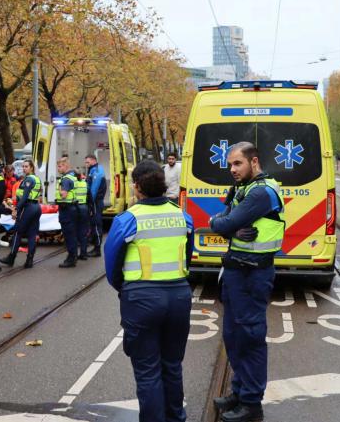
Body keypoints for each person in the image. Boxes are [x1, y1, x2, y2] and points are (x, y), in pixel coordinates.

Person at [104, 160, 194, 422]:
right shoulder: (182, 215)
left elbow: (112, 264)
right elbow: (187, 257)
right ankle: (176, 418)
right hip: (179, 295)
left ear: (137, 187)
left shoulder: (128, 219)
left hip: (142, 298)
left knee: (147, 370)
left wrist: (126, 288)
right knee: (172, 365)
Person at [207, 141, 284, 422]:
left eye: (237, 163)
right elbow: (220, 222)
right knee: (233, 336)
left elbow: (223, 224)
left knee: (250, 338)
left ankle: (252, 404)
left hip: (254, 274)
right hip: (236, 272)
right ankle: (239, 391)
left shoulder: (262, 192)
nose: (232, 170)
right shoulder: (242, 189)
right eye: (229, 165)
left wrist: (227, 226)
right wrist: (229, 227)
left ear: (254, 162)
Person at [0, 160, 41, 269]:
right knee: (32, 234)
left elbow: (24, 196)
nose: (24, 168)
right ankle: (29, 260)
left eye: (26, 166)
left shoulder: (28, 180)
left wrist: (16, 209)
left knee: (18, 232)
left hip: (28, 208)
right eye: (23, 166)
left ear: (31, 167)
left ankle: (11, 258)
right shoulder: (37, 179)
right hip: (36, 207)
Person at [55, 157, 79, 268]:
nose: (58, 168)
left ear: (65, 166)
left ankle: (71, 258)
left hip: (66, 210)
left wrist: (59, 188)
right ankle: (73, 257)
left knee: (69, 235)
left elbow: (63, 194)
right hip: (72, 208)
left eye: (60, 166)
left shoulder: (65, 179)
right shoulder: (73, 176)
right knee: (72, 234)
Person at [84, 155, 106, 257]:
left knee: (96, 225)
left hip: (95, 202)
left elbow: (93, 189)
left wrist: (90, 203)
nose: (86, 164)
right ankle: (95, 246)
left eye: (87, 162)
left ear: (93, 161)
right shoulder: (94, 169)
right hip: (96, 201)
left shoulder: (96, 171)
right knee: (93, 224)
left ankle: (97, 249)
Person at [75, 172, 90, 260]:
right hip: (84, 208)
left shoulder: (73, 184)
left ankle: (74, 255)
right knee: (83, 232)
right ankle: (83, 253)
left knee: (74, 232)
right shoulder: (85, 184)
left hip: (75, 208)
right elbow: (90, 197)